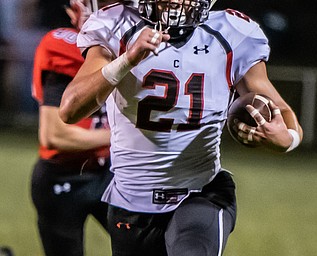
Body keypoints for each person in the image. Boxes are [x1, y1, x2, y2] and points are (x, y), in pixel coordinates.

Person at [59, 0, 303, 255]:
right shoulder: (115, 24)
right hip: (131, 202)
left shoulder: (233, 32)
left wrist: (287, 140)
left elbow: (284, 115)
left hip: (200, 192)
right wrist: (127, 60)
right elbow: (70, 109)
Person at [30, 1, 114, 255]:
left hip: (111, 172)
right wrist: (121, 135)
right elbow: (54, 134)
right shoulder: (65, 46)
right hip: (63, 175)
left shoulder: (132, 43)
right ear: (74, 11)